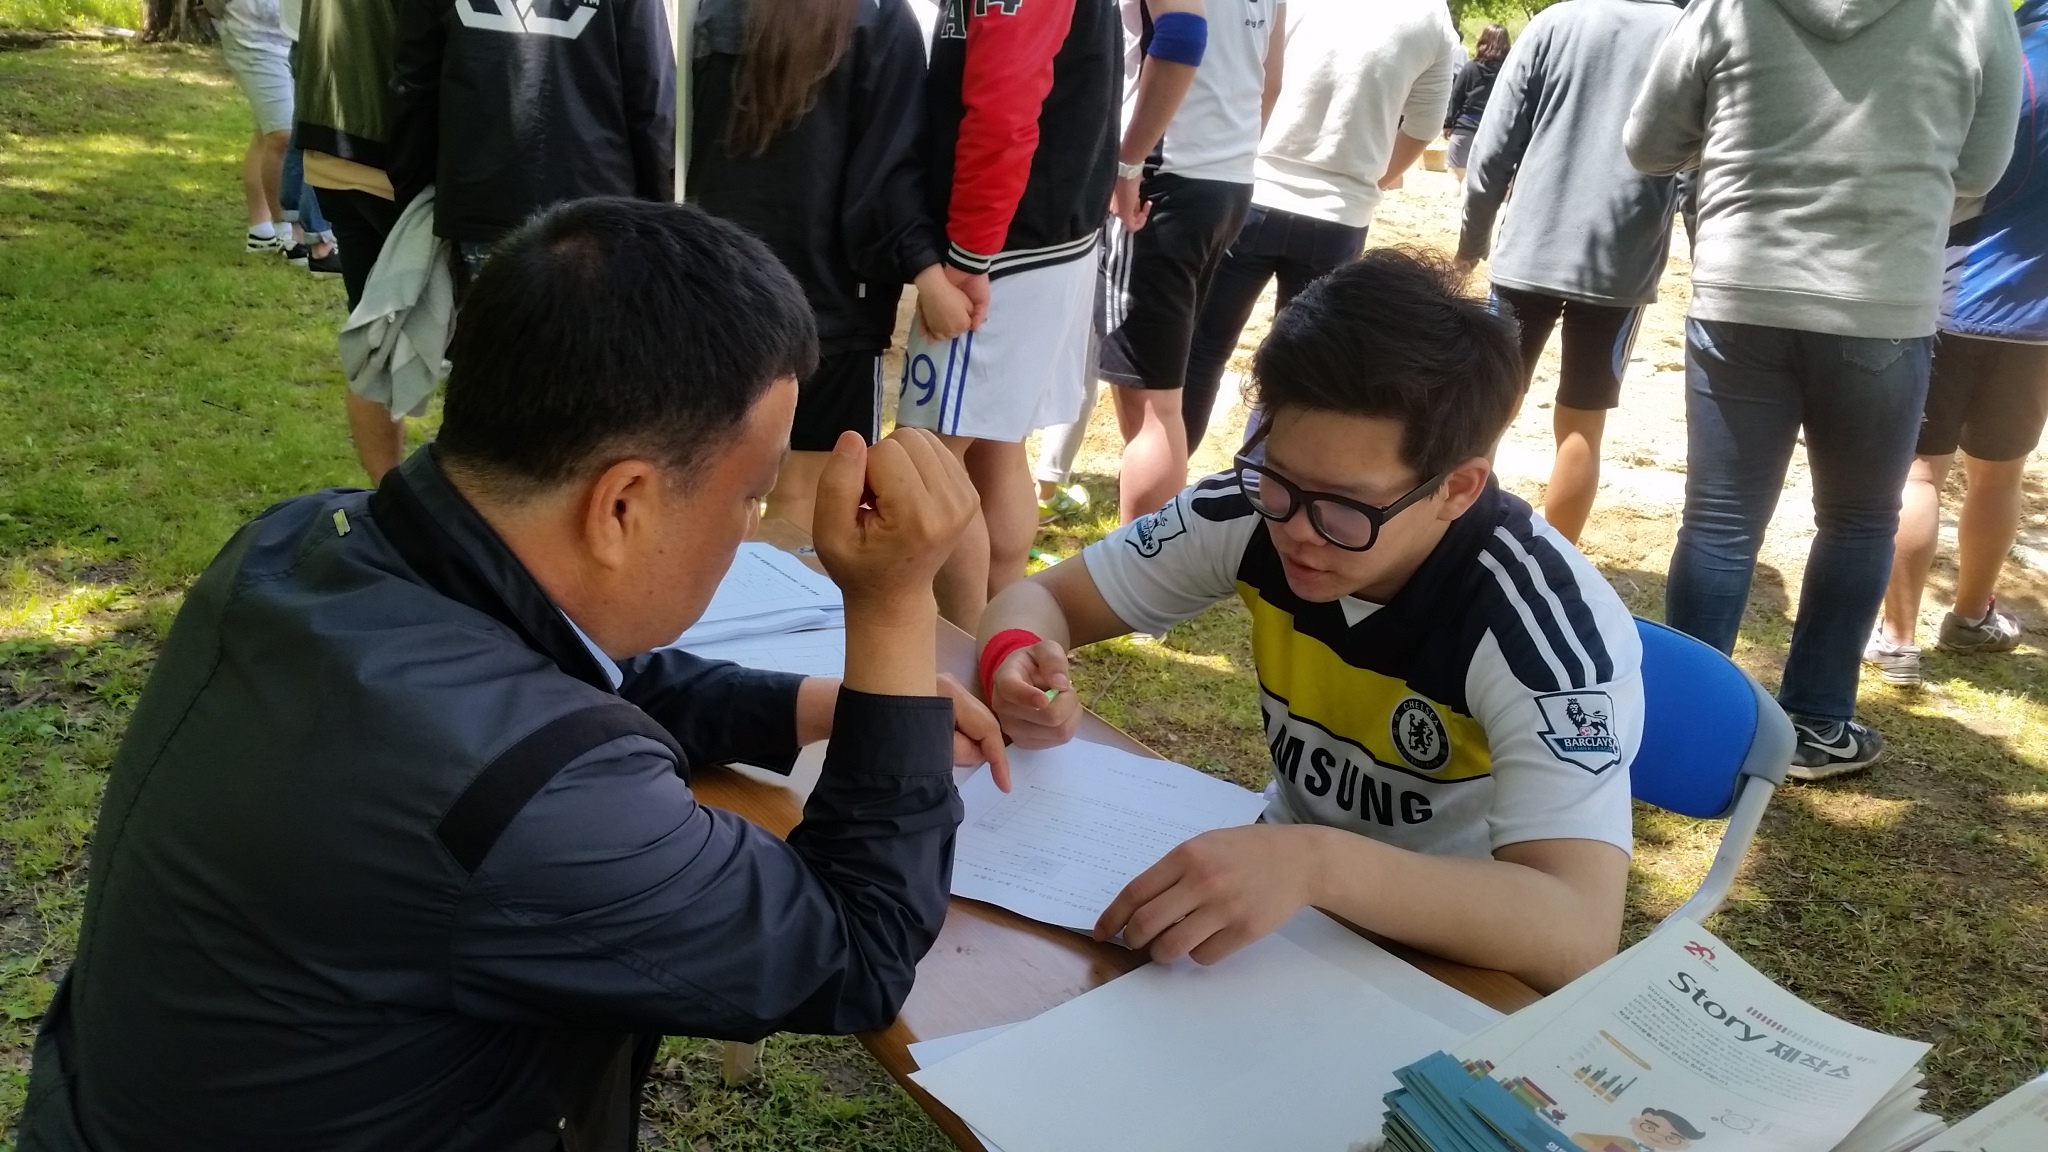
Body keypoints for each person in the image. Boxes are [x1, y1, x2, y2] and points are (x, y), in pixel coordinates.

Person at [17, 199, 1006, 1149]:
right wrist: (891, 607)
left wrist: (815, 706)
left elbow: (564, 675)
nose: (754, 522)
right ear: (622, 506)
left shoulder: (299, 545)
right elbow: (855, 950)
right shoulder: (533, 798)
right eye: (750, 496)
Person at [976, 250, 1641, 993]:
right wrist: (1016, 653)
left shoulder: (1536, 627)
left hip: (1452, 955)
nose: (1296, 530)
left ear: (1456, 488)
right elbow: (1048, 599)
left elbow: (1576, 929)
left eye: (1346, 507)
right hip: (1285, 909)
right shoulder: (1249, 512)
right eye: (1278, 476)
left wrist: (1317, 863)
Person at [1625, 0, 2023, 779]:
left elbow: (1648, 144)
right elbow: (1981, 171)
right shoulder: (1974, 10)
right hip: (1882, 298)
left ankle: (1686, 730)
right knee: (1859, 520)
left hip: (1741, 290)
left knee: (1718, 521)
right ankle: (1817, 721)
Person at [687, 0, 976, 618]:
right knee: (811, 495)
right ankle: (777, 642)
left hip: (718, 288)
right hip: (833, 302)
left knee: (716, 482)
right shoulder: (882, 18)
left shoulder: (716, 8)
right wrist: (924, 268)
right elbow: (888, 175)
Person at [894, 0, 1124, 605]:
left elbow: (1004, 100)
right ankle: (993, 632)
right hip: (1043, 232)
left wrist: (969, 256)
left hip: (1007, 244)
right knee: (994, 448)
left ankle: (960, 643)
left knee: (928, 460)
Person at [1032, 0, 1286, 528]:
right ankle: (1151, 553)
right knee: (1161, 396)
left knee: (1150, 408)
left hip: (1162, 181)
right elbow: (1271, 79)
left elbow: (1181, 33)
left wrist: (1128, 164)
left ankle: (1143, 561)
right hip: (1227, 181)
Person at [1180, 0, 1459, 454]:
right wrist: (1375, 179)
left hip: (1256, 187)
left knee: (1204, 347)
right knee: (1300, 368)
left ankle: (1172, 468)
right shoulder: (1431, 16)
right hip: (1340, 214)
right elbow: (1424, 126)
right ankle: (1262, 476)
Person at [1867, 0, 2048, 687]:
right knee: (2001, 473)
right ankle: (1971, 616)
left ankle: (1896, 638)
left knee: (1920, 472)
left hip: (1948, 289)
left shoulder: (2007, 55)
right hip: (2036, 317)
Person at [1456, 0, 1683, 544]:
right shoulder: (1686, 32)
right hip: (1620, 264)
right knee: (1583, 422)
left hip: (1528, 251)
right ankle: (1556, 555)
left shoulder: (1554, 22)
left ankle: (1455, 540)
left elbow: (1494, 145)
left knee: (1488, 404)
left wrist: (1472, 240)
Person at [387, 0, 676, 277]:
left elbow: (413, 89)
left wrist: (413, 201)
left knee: (497, 312)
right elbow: (651, 99)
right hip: (598, 206)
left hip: (484, 204)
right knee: (597, 312)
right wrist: (657, 211)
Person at [293, 0, 408, 476]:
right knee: (484, 349)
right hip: (394, 151)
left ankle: (392, 498)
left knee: (374, 342)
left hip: (333, 137)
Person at [215, 0, 295, 255]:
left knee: (267, 132)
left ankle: (260, 231)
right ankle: (287, 230)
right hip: (252, 38)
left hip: (296, 39)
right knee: (282, 135)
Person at [1441, 22, 1507, 185]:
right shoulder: (1508, 72)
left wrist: (1448, 123)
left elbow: (1456, 97)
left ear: (1482, 42)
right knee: (1483, 182)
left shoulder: (1470, 68)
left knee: (1455, 177)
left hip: (1465, 128)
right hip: (1494, 133)